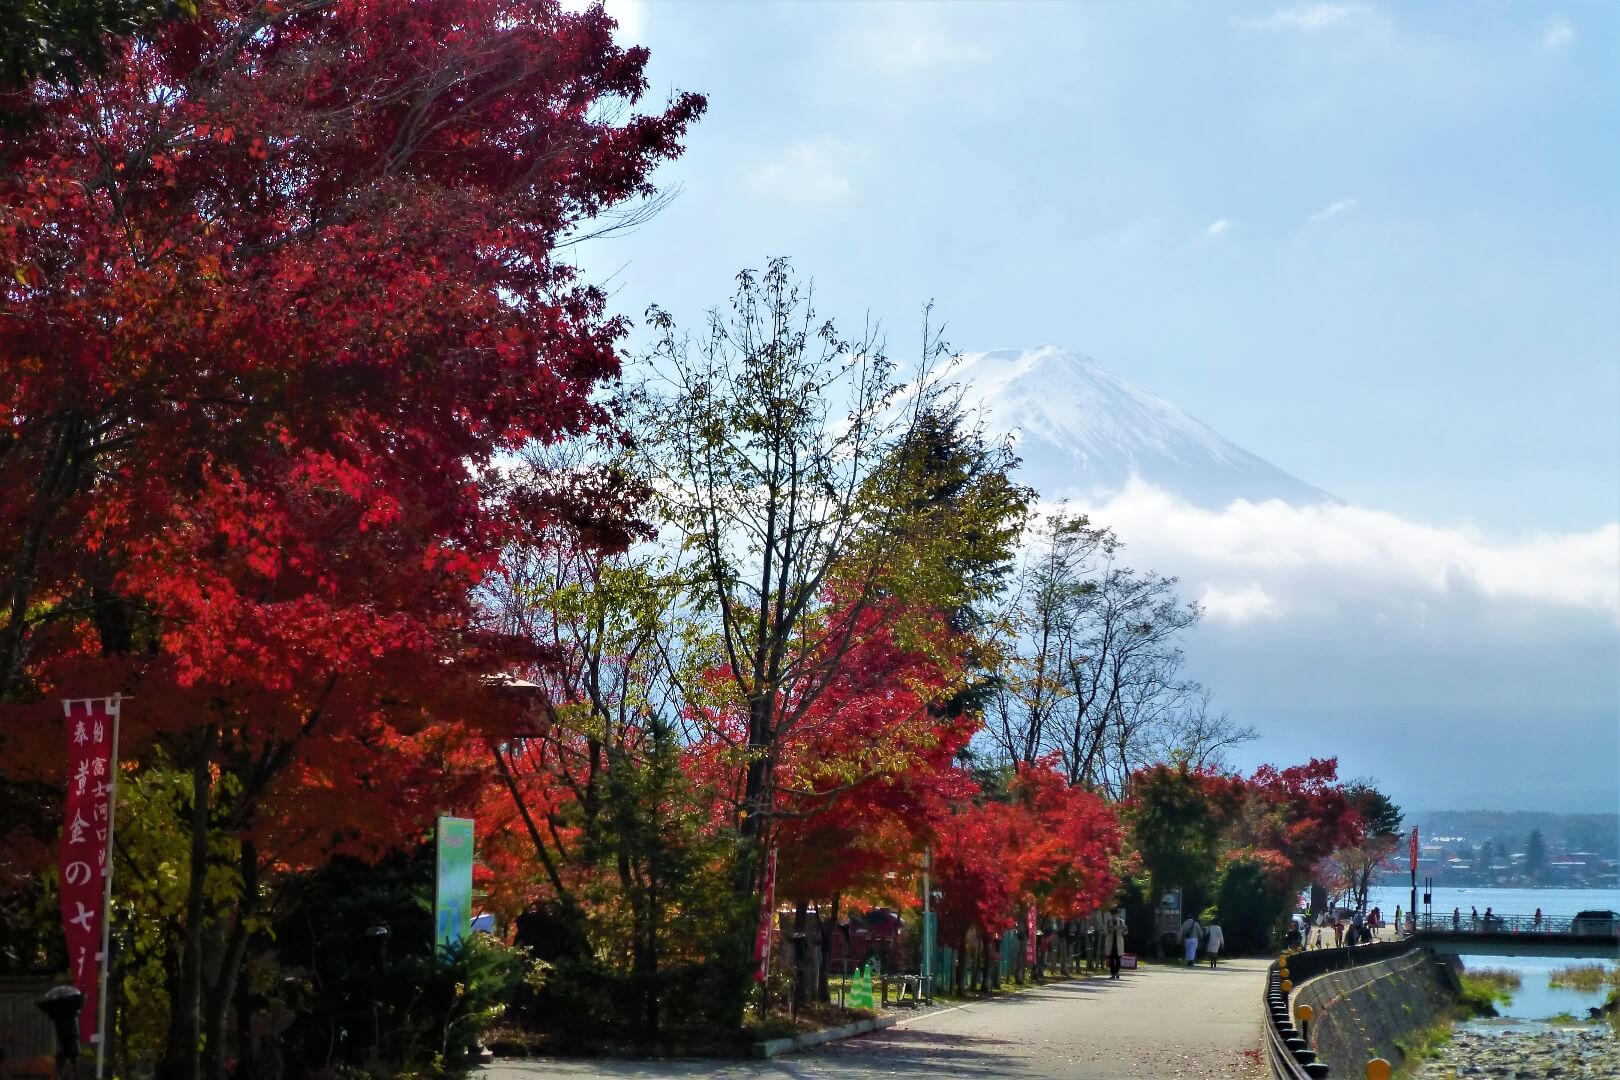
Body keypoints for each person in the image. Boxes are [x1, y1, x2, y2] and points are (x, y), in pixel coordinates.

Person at [1105, 908, 1127, 979]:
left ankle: (1117, 972)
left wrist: (1123, 929)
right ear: (1111, 915)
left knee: (1118, 959)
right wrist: (1111, 929)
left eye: (1116, 914)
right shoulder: (1108, 922)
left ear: (1118, 915)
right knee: (1111, 959)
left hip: (1119, 943)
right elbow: (1105, 932)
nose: (1114, 916)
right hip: (1111, 943)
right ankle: (1112, 974)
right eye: (1113, 914)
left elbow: (1125, 932)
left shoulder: (1121, 922)